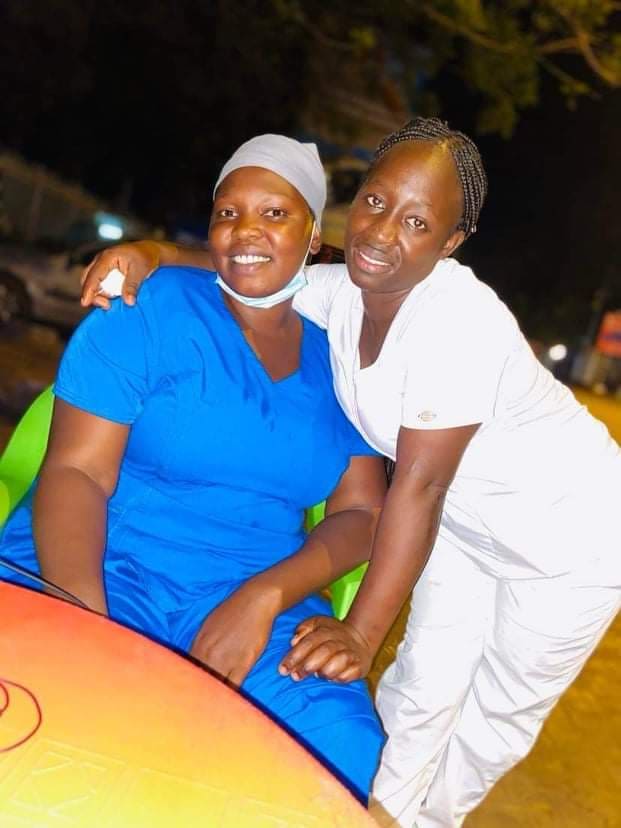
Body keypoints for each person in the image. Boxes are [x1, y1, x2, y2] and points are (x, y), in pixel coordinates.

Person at [80, 117, 621, 827]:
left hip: (571, 540)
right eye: (375, 201)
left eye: (416, 222)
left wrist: (361, 634)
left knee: (494, 716)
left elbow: (417, 487)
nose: (382, 231)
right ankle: (375, 813)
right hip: (461, 524)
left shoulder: (459, 325)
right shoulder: (342, 293)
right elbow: (250, 265)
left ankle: (430, 822)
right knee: (422, 682)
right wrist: (149, 253)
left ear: (451, 242)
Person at [0, 134, 388, 801]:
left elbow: (362, 511)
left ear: (312, 236)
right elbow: (76, 474)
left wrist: (264, 597)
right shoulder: (146, 309)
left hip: (251, 593)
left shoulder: (340, 357)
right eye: (227, 212)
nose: (246, 229)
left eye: (274, 213)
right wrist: (87, 630)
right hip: (97, 569)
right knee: (51, 723)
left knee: (340, 741)